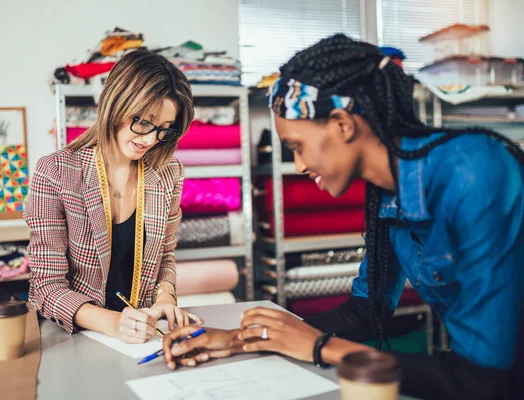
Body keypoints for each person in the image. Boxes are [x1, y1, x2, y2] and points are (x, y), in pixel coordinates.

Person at [161, 35, 524, 400]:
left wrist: (318, 346)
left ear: (342, 124)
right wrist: (245, 341)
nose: (299, 166)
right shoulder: (388, 189)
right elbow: (367, 310)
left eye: (297, 146)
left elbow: (482, 380)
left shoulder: (476, 174)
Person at [25, 50, 201, 343]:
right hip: (77, 337)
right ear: (115, 105)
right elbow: (47, 287)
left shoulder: (168, 173)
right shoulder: (56, 172)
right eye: (143, 122)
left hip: (142, 336)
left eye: (164, 130)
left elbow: (165, 258)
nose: (150, 140)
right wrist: (113, 322)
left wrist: (165, 298)